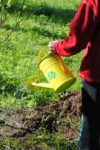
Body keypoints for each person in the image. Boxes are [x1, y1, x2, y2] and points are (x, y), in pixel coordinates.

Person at [48, 0, 100, 149]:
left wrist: (57, 46)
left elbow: (76, 41)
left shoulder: (92, 3)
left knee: (90, 127)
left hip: (96, 76)